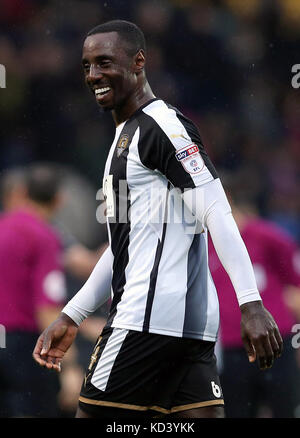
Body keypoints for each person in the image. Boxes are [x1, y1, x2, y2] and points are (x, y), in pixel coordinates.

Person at [32, 20, 283, 419]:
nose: (93, 75)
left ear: (139, 61)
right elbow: (125, 248)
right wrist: (73, 314)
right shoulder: (124, 137)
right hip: (190, 331)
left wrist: (251, 304)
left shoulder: (162, 126)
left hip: (142, 322)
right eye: (86, 66)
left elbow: (216, 209)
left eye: (104, 63)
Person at [208, 194, 300, 418]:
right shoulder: (203, 243)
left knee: (284, 409)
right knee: (236, 412)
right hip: (229, 348)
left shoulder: (266, 235)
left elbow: (295, 284)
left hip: (275, 341)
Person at [0, 164, 67, 417]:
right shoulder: (43, 236)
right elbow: (48, 309)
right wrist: (68, 366)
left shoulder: (3, 226)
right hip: (21, 345)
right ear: (59, 199)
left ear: (23, 192)